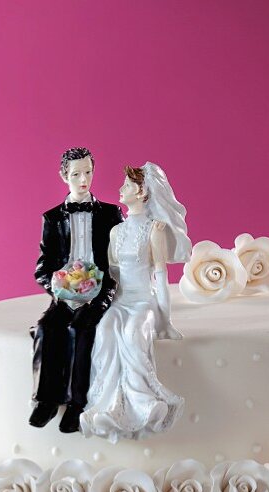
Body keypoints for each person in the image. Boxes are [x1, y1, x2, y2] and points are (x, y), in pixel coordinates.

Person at [79, 163, 192, 443]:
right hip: (120, 300)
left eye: (128, 185)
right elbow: (112, 274)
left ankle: (144, 404)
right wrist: (87, 284)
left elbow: (161, 277)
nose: (121, 189)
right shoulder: (117, 232)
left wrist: (165, 321)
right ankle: (107, 406)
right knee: (104, 331)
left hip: (143, 301)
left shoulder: (155, 230)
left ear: (142, 192)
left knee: (132, 335)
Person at [30, 147, 123, 433]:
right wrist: (58, 288)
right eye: (76, 174)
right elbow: (42, 268)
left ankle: (76, 404)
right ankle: (45, 400)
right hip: (65, 295)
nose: (84, 179)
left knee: (83, 331)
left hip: (100, 293)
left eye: (88, 172)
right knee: (47, 327)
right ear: (63, 176)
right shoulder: (53, 218)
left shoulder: (110, 214)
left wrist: (103, 293)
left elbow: (119, 262)